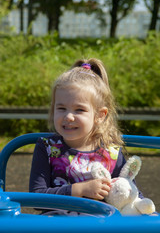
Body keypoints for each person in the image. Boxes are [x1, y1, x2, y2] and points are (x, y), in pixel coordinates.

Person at [29, 58, 141, 215]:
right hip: (56, 225)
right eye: (61, 108)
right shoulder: (47, 147)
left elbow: (129, 193)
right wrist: (79, 189)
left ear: (100, 115)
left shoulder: (112, 153)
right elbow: (35, 197)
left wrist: (142, 207)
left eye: (79, 110)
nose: (68, 116)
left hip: (99, 225)